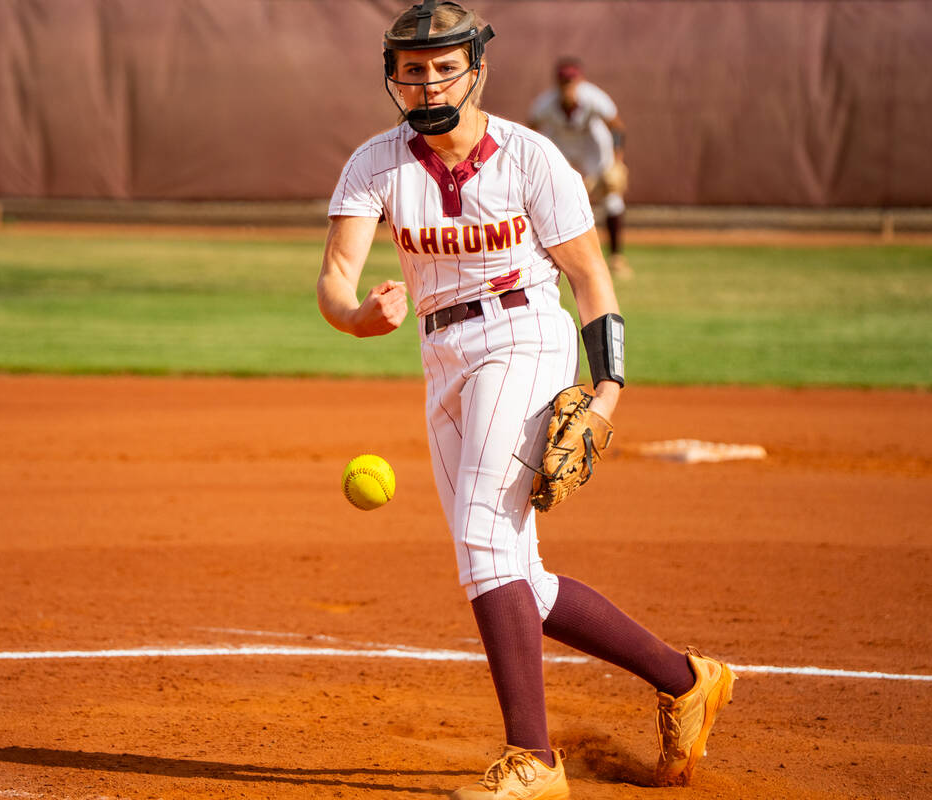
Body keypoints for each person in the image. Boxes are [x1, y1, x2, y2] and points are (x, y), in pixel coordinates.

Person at [317, 2, 735, 798]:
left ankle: (534, 762)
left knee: (482, 538)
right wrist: (354, 316)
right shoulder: (375, 164)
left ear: (475, 68)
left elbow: (591, 282)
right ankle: (686, 680)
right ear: (392, 77)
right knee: (515, 573)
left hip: (526, 337)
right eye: (411, 68)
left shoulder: (531, 158)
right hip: (440, 354)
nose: (427, 80)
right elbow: (337, 277)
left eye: (444, 65)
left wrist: (606, 393)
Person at [528, 56, 633, 279]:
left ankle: (616, 258)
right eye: (564, 82)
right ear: (557, 83)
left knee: (612, 198)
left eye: (572, 81)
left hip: (592, 145)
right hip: (561, 144)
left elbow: (617, 127)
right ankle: (553, 258)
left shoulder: (593, 97)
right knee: (554, 197)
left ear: (580, 80)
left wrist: (617, 161)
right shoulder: (545, 103)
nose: (569, 86)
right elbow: (529, 131)